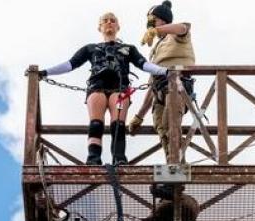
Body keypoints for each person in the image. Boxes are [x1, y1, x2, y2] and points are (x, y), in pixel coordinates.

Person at [36, 12, 167, 165]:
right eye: (105, 21)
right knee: (96, 123)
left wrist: (164, 71)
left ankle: (119, 157)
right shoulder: (90, 48)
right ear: (100, 27)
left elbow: (143, 64)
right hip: (96, 87)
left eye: (112, 21)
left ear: (118, 26)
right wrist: (45, 72)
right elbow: (70, 64)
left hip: (119, 89)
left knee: (118, 124)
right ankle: (93, 157)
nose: (109, 23)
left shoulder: (129, 49)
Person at [128, 1, 196, 160]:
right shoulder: (156, 49)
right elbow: (152, 82)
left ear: (162, 20)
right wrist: (140, 115)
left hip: (176, 87)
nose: (150, 26)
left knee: (170, 125)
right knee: (162, 128)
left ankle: (176, 170)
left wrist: (156, 30)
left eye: (153, 21)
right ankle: (173, 165)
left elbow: (183, 28)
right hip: (159, 90)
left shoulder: (177, 35)